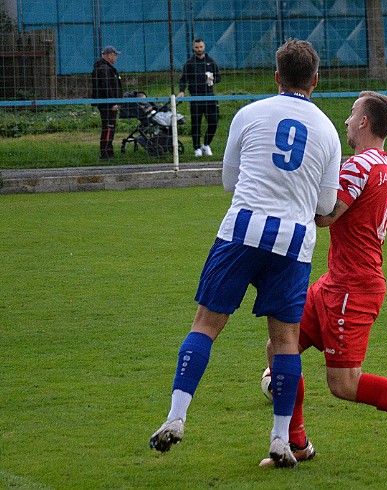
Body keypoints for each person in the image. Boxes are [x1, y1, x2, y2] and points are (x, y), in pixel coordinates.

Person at [149, 39, 342, 469]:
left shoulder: (249, 114)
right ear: (315, 80)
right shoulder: (328, 130)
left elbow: (229, 182)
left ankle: (176, 418)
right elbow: (326, 207)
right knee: (285, 342)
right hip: (293, 241)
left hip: (242, 229)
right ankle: (279, 440)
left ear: (276, 77)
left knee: (206, 324)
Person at [260, 91, 387, 467]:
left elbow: (325, 217)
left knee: (344, 384)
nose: (347, 121)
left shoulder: (359, 166)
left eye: (352, 114)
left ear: (365, 122)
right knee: (279, 348)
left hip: (353, 289)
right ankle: (297, 443)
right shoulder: (383, 164)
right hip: (335, 282)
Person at [178, 38, 221, 158]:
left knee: (213, 122)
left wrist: (213, 79)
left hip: (210, 96)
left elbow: (219, 77)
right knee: (196, 124)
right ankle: (196, 147)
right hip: (195, 97)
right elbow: (183, 79)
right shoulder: (190, 63)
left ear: (204, 46)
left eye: (201, 47)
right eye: (197, 47)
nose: (199, 49)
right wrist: (182, 91)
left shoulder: (211, 62)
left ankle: (206, 144)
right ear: (193, 48)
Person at [91, 45, 122, 160]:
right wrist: (113, 103)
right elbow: (106, 87)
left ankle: (108, 151)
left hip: (107, 103)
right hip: (108, 105)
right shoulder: (104, 69)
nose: (116, 59)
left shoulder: (105, 68)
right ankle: (106, 153)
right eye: (115, 56)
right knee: (108, 127)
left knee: (109, 127)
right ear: (110, 55)